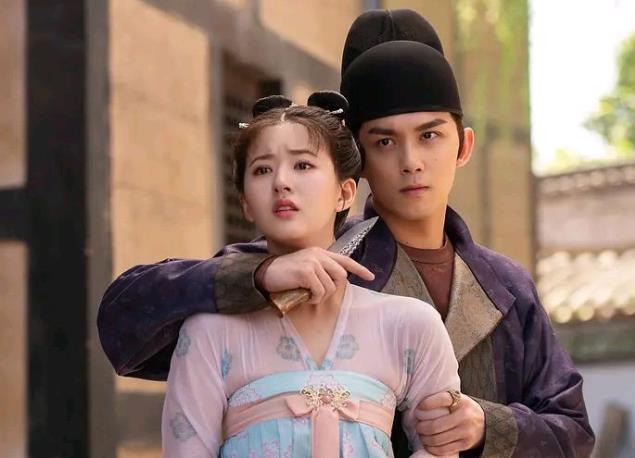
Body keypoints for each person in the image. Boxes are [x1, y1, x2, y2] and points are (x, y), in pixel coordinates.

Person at [99, 9, 594, 457]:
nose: (411, 162)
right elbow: (127, 322)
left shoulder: (507, 286)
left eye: (430, 135)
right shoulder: (302, 264)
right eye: (384, 141)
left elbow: (574, 430)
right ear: (354, 161)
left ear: (463, 146)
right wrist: (261, 275)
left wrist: (488, 425)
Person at [162, 92, 460, 457]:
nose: (281, 182)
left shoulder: (410, 325)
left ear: (344, 193)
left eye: (302, 165)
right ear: (246, 204)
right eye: (262, 170)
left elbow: (440, 448)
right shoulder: (209, 333)